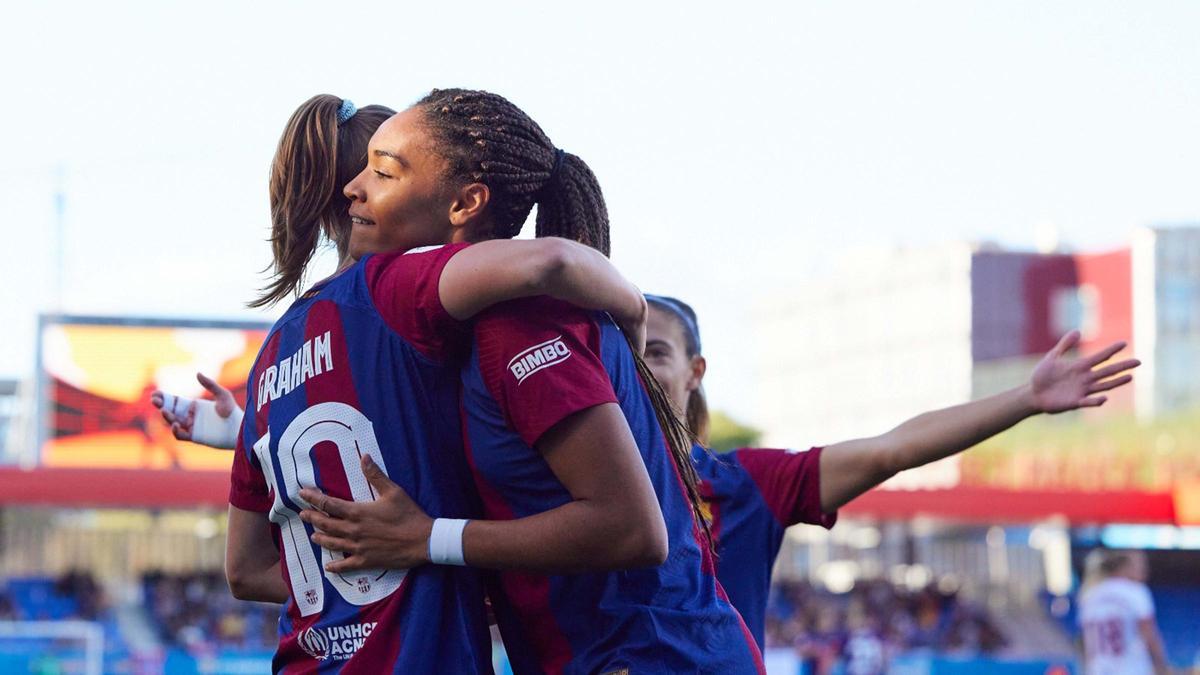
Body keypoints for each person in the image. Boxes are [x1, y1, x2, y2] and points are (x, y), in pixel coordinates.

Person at [294, 89, 764, 674]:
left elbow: (633, 530)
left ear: (466, 203)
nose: (353, 188)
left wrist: (429, 539)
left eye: (384, 172)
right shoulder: (464, 332)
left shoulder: (519, 321)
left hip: (653, 659)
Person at [212, 92, 659, 673]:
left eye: (388, 171)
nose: (365, 186)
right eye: (378, 169)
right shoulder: (399, 292)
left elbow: (245, 570)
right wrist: (637, 311)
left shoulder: (270, 354)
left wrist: (364, 581)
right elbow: (547, 262)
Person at [637, 294, 1139, 652]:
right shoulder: (589, 486)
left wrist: (1026, 399)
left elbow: (890, 450)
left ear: (695, 371)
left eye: (656, 352)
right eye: (629, 354)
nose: (639, 367)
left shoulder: (749, 481)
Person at [1079, 550, 1172, 675]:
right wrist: (1162, 666)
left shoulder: (1089, 596)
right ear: (1125, 566)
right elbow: (1149, 634)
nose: (1145, 570)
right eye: (1140, 565)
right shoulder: (1135, 591)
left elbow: (1084, 643)